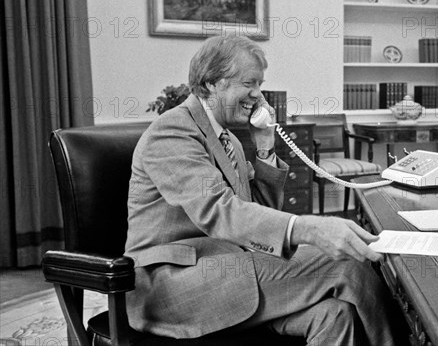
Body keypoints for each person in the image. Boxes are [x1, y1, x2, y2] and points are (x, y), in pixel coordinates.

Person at [124, 35, 399, 346]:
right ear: (211, 84)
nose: (258, 94)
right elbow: (219, 211)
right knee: (347, 264)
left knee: (335, 315)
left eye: (260, 84)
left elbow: (257, 213)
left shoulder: (228, 138)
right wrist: (309, 228)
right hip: (173, 287)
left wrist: (265, 147)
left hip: (230, 268)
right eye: (249, 83)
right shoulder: (172, 132)